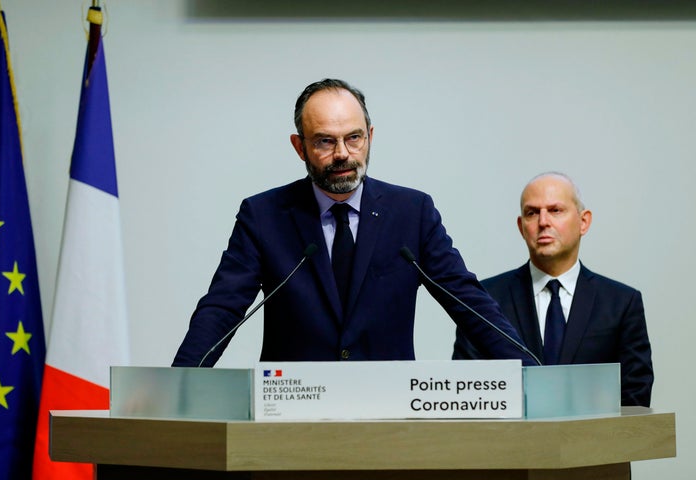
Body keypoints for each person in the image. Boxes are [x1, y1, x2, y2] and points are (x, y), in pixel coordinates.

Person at [172, 78, 537, 367]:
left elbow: (468, 302)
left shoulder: (412, 212)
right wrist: (181, 386)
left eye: (354, 138)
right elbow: (223, 307)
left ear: (370, 137)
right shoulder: (264, 216)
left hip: (388, 412)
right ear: (299, 147)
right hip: (291, 414)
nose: (343, 154)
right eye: (325, 142)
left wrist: (532, 375)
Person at [453, 172, 653, 406]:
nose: (543, 221)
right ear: (521, 226)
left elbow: (635, 397)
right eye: (532, 212)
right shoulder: (485, 300)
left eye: (555, 210)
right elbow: (467, 393)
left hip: (594, 440)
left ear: (584, 221)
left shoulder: (621, 303)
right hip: (508, 440)